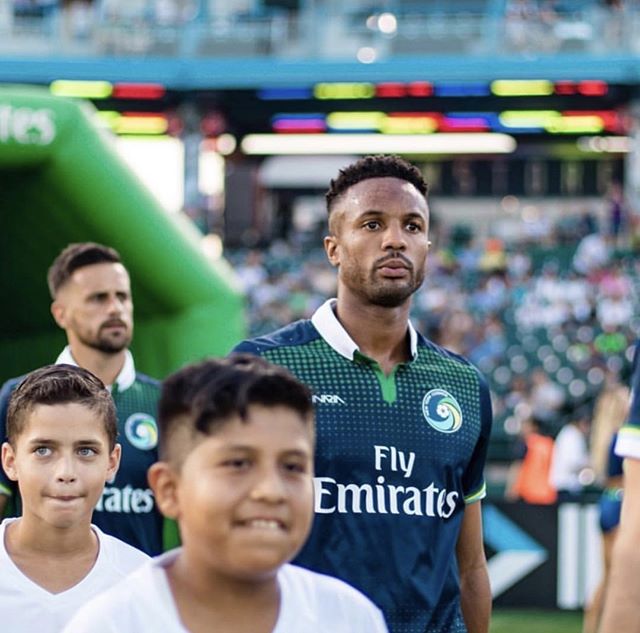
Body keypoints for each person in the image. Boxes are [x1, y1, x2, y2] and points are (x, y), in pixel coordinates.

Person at [234, 155, 492, 633]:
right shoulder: (261, 370)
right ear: (333, 248)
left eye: (412, 226)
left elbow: (471, 565)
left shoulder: (463, 385)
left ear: (428, 246)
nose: (395, 240)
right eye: (372, 224)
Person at [63, 355, 389, 633]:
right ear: (169, 489)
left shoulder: (350, 619)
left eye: (292, 467)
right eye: (238, 463)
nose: (271, 491)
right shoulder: (111, 624)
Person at [0, 242, 163, 555]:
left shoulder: (164, 402)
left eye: (122, 297)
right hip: (38, 593)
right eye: (98, 298)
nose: (115, 308)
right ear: (61, 314)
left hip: (131, 597)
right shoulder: (17, 397)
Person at [0, 364, 149, 632]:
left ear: (112, 462)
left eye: (86, 451)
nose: (65, 473)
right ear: (10, 461)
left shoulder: (143, 585)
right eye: (43, 450)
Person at [599, 342, 640, 633]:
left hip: (613, 499)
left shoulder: (610, 437)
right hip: (621, 499)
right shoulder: (618, 438)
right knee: (614, 576)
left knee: (609, 578)